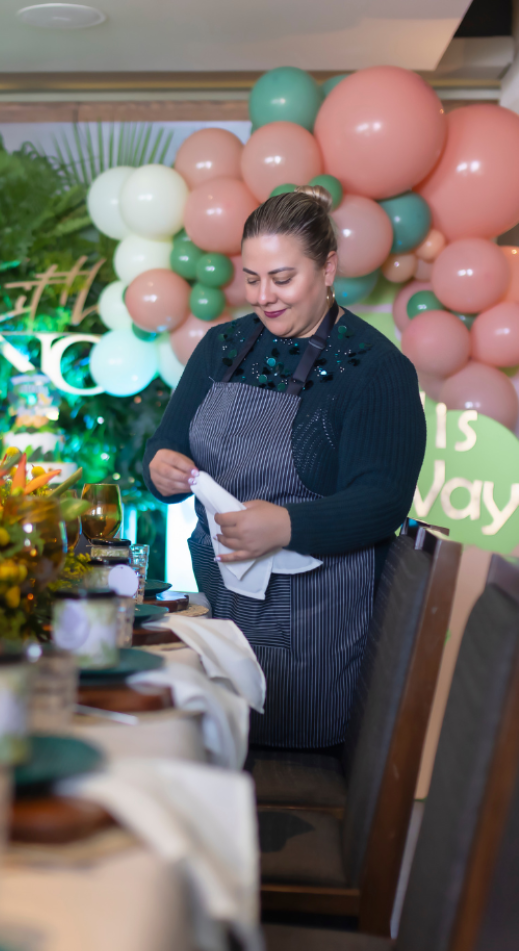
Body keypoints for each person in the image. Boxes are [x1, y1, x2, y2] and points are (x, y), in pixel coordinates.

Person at [143, 186, 426, 754]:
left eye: (282, 278)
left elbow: (384, 499)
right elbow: (167, 443)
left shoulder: (374, 369)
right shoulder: (223, 346)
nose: (264, 297)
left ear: (327, 268)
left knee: (256, 747)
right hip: (219, 609)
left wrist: (286, 526)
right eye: (252, 279)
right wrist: (162, 468)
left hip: (312, 629)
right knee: (194, 740)